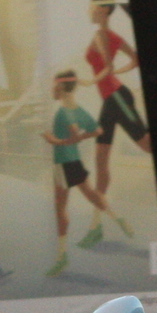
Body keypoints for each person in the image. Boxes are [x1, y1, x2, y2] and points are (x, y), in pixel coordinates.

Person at [45, 71, 130, 275]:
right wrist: (80, 136)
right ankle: (118, 218)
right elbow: (97, 131)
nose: (52, 90)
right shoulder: (79, 110)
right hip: (74, 161)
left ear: (61, 88)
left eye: (55, 87)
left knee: (60, 208)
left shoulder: (64, 112)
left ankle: (62, 256)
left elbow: (74, 135)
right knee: (91, 194)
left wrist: (54, 141)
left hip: (63, 163)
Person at [83, 0, 151, 199]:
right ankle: (99, 211)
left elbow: (108, 66)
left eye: (93, 6)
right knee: (101, 157)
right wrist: (114, 74)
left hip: (116, 98)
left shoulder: (100, 36)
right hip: (113, 97)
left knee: (147, 146)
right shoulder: (114, 37)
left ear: (103, 9)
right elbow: (135, 60)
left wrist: (91, 81)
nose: (90, 10)